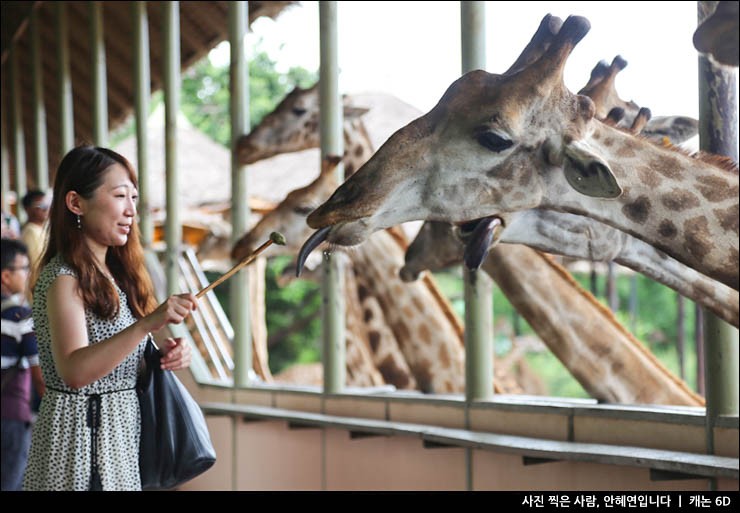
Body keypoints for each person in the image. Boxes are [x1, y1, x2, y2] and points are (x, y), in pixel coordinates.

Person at [23, 145, 198, 491]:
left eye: (134, 198)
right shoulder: (64, 277)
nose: (131, 210)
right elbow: (75, 372)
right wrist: (147, 324)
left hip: (117, 444)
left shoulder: (116, 275)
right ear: (76, 203)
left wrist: (163, 357)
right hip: (77, 449)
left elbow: (117, 361)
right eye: (120, 196)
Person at [1, 238, 46, 491]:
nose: (28, 273)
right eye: (24, 268)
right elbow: (40, 378)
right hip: (10, 419)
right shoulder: (20, 317)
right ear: (6, 276)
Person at [20, 189, 50, 271]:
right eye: (41, 205)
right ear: (27, 209)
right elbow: (37, 265)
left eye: (47, 205)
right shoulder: (31, 232)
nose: (46, 209)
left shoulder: (41, 229)